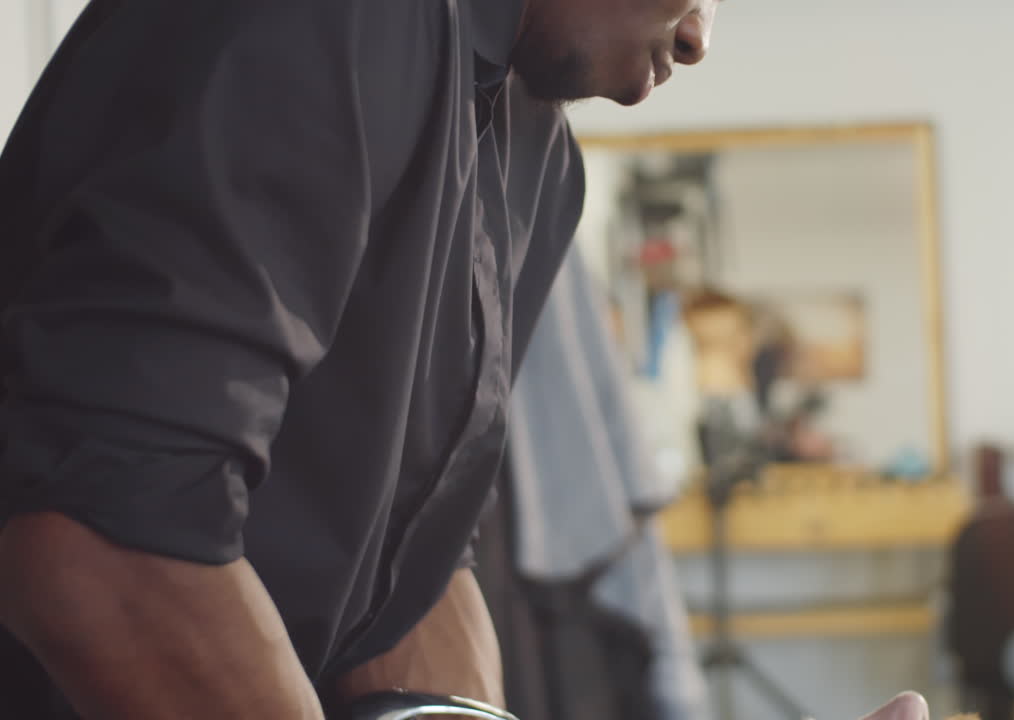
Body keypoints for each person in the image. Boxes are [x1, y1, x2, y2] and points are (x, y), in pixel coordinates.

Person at [0, 0, 717, 717]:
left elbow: (403, 568)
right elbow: (99, 534)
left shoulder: (539, 154)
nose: (698, 38)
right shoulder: (340, 15)